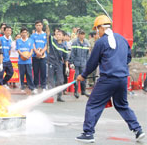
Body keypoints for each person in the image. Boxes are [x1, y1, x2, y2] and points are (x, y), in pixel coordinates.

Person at [75, 15, 145, 143]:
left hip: (108, 80)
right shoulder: (122, 39)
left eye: (97, 29)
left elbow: (92, 62)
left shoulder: (101, 42)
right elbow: (128, 58)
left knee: (93, 104)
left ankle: (88, 133)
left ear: (101, 28)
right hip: (123, 79)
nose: (97, 32)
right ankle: (138, 130)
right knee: (122, 105)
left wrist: (83, 75)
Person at [44, 20, 69, 102]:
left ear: (63, 36)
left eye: (59, 34)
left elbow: (66, 58)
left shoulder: (64, 47)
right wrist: (47, 26)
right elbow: (48, 34)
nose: (57, 35)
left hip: (59, 63)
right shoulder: (52, 41)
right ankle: (50, 96)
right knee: (50, 79)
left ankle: (59, 96)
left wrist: (67, 67)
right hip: (50, 62)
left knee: (60, 80)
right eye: (57, 34)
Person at [16, 27, 37, 94]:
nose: (24, 34)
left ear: (27, 33)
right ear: (21, 33)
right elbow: (18, 50)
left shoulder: (30, 40)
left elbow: (31, 50)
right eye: (23, 32)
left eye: (25, 32)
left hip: (28, 61)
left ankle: (31, 87)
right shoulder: (18, 41)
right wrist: (23, 55)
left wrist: (29, 55)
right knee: (22, 74)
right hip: (21, 61)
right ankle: (22, 87)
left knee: (29, 74)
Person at [70, 29, 90, 98]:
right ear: (78, 35)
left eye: (83, 34)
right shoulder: (75, 42)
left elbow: (88, 54)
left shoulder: (86, 43)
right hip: (76, 63)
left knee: (84, 77)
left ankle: (83, 91)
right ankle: (76, 91)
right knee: (76, 77)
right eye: (81, 34)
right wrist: (71, 63)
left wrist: (88, 63)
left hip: (83, 63)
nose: (82, 35)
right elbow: (72, 54)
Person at [31, 20, 47, 90]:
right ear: (35, 26)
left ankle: (44, 85)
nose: (38, 27)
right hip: (35, 56)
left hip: (43, 56)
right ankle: (35, 85)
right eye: (37, 25)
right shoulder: (33, 35)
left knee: (43, 71)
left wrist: (41, 52)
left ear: (42, 26)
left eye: (40, 25)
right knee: (35, 71)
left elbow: (46, 45)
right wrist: (36, 52)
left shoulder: (45, 35)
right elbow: (33, 45)